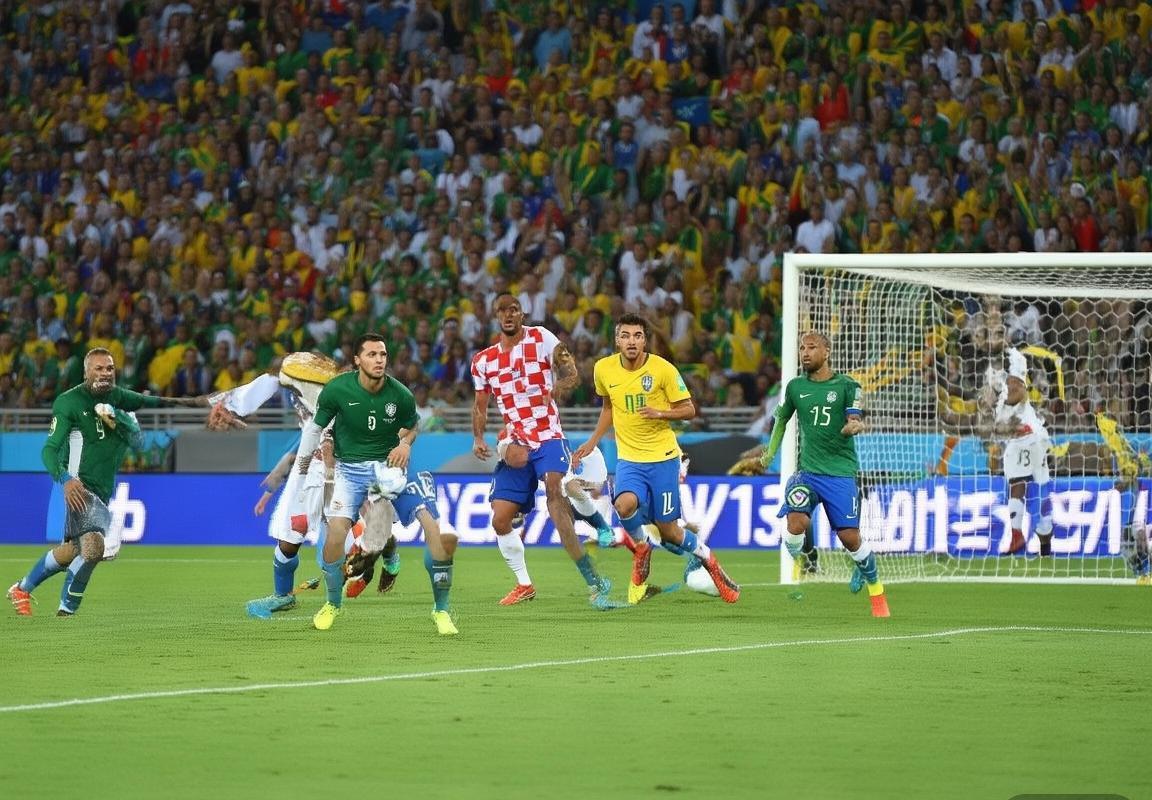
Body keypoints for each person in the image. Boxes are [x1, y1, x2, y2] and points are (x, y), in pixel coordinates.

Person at [7, 348, 207, 617]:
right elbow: (49, 450)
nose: (104, 373)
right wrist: (65, 479)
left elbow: (141, 437)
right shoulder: (69, 402)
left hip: (101, 490)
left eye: (109, 368)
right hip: (78, 486)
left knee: (73, 551)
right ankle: (66, 611)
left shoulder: (119, 400)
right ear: (86, 372)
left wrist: (120, 418)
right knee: (93, 548)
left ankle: (22, 588)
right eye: (98, 368)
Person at [206, 352, 400, 617]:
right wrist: (230, 407)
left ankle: (385, 554)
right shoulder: (314, 393)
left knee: (351, 544)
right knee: (289, 534)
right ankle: (283, 596)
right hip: (310, 474)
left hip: (345, 474)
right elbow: (299, 426)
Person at [294, 333, 457, 633]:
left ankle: (442, 610)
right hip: (350, 471)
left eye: (382, 354)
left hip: (390, 468)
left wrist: (405, 444)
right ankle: (333, 603)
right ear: (357, 360)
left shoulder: (400, 394)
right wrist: (302, 471)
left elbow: (412, 426)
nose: (379, 360)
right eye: (371, 354)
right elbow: (315, 429)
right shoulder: (337, 390)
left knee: (434, 528)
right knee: (336, 533)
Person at [573, 313, 740, 604]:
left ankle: (711, 562)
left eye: (637, 336)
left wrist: (660, 413)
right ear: (617, 340)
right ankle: (641, 547)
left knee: (670, 532)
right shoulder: (603, 369)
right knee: (623, 504)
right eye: (625, 335)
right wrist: (592, 441)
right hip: (629, 459)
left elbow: (689, 409)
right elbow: (608, 407)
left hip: (663, 459)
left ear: (644, 341)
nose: (631, 341)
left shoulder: (663, 369)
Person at [471, 292, 614, 608]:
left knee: (555, 495)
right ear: (496, 316)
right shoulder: (483, 361)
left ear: (522, 313)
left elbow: (572, 373)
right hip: (515, 442)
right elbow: (480, 405)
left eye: (514, 309)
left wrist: (557, 387)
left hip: (549, 436)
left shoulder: (542, 338)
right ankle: (524, 584)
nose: (508, 315)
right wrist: (478, 438)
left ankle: (594, 580)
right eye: (502, 311)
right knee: (500, 520)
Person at [759, 332, 890, 617]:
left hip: (840, 474)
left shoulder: (847, 385)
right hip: (808, 473)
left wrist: (854, 425)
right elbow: (781, 420)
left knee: (850, 538)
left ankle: (876, 590)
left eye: (812, 347)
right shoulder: (795, 387)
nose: (805, 352)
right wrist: (770, 452)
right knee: (796, 521)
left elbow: (854, 417)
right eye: (802, 347)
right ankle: (801, 559)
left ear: (827, 352)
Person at [984, 347, 1053, 555]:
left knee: (1020, 485)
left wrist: (996, 394)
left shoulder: (1015, 389)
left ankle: (1020, 536)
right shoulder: (1002, 399)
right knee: (1031, 489)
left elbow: (1018, 392)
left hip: (1029, 440)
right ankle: (1040, 543)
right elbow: (996, 426)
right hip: (1032, 441)